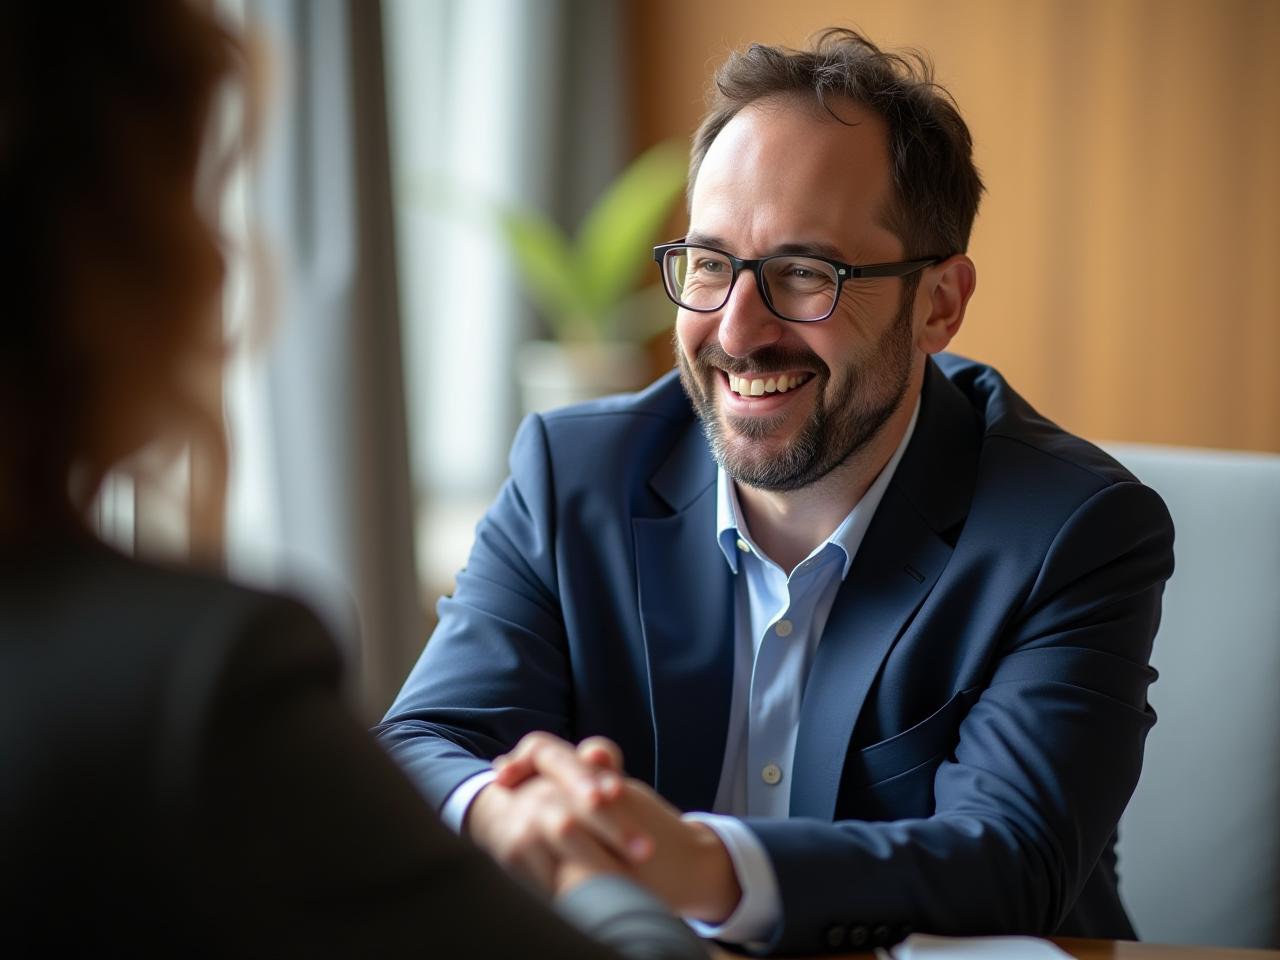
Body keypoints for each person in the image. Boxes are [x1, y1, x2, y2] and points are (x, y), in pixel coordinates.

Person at [377, 27, 1177, 957]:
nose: (738, 331)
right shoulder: (574, 475)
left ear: (939, 304)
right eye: (710, 265)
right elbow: (425, 739)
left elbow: (1010, 858)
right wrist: (504, 815)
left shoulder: (1070, 529)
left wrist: (696, 863)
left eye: (806, 273)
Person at [0, 3, 710, 958]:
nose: (222, 255)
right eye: (199, 193)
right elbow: (424, 737)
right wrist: (592, 864)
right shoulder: (199, 686)